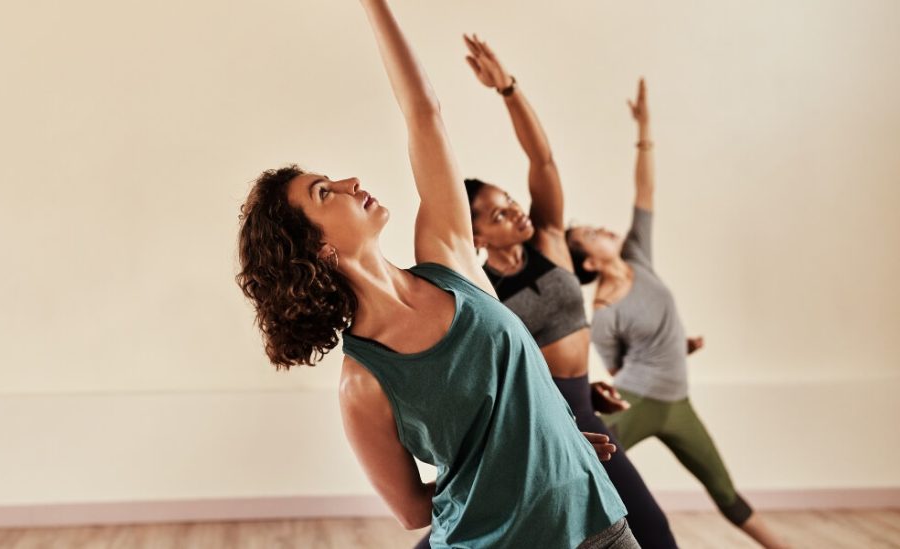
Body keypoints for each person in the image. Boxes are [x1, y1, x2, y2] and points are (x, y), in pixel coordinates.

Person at [235, 1, 635, 547]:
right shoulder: (364, 383)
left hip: (596, 522)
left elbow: (424, 111)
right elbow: (412, 512)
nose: (350, 181)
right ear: (320, 248)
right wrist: (508, 466)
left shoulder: (450, 257)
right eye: (324, 192)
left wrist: (542, 444)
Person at [451, 34, 678, 549]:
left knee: (651, 530)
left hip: (585, 407)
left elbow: (543, 160)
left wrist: (507, 88)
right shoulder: (483, 286)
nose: (516, 210)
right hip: (541, 423)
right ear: (477, 235)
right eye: (498, 212)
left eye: (510, 199)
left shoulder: (551, 240)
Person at [565, 78, 789, 549]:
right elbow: (619, 371)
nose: (605, 229)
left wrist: (644, 128)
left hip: (679, 403)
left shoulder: (636, 256)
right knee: (583, 473)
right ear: (587, 261)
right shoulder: (602, 313)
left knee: (725, 494)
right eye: (591, 233)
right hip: (641, 402)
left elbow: (644, 191)